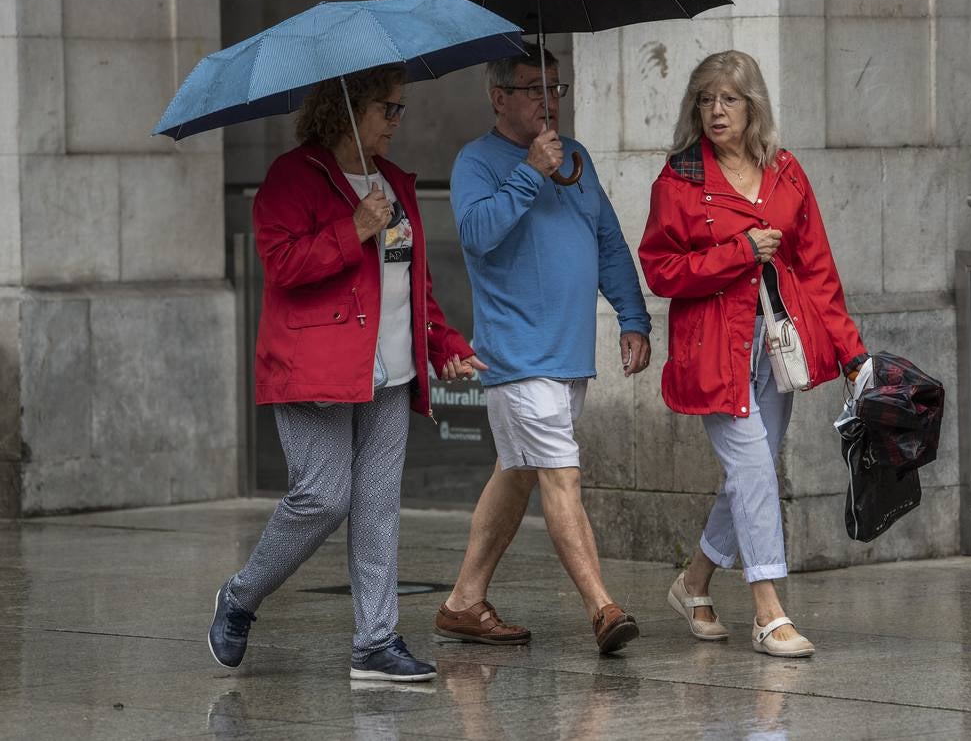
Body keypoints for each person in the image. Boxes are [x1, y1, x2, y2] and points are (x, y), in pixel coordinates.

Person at [207, 64, 483, 682]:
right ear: (347, 111)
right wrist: (353, 228)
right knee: (324, 495)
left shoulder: (393, 183)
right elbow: (281, 267)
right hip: (314, 367)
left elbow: (413, 283)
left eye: (399, 109)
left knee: (379, 504)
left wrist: (444, 346)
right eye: (388, 109)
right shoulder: (291, 178)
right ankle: (241, 596)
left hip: (390, 368)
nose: (396, 122)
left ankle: (376, 644)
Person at [638, 50, 869, 658]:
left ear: (752, 107)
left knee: (752, 473)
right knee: (753, 471)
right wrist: (739, 251)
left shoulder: (786, 172)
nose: (716, 111)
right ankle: (768, 610)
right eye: (706, 99)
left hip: (778, 349)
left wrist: (851, 354)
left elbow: (818, 269)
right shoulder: (680, 180)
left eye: (729, 100)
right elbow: (660, 270)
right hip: (715, 348)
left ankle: (693, 583)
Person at [434, 44, 652, 654]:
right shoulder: (476, 162)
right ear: (498, 97)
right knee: (560, 475)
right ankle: (603, 609)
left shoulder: (576, 157)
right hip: (517, 356)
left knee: (519, 473)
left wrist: (632, 317)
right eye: (533, 88)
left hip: (570, 353)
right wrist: (529, 170)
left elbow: (608, 241)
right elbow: (477, 236)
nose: (548, 99)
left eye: (554, 87)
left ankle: (463, 601)